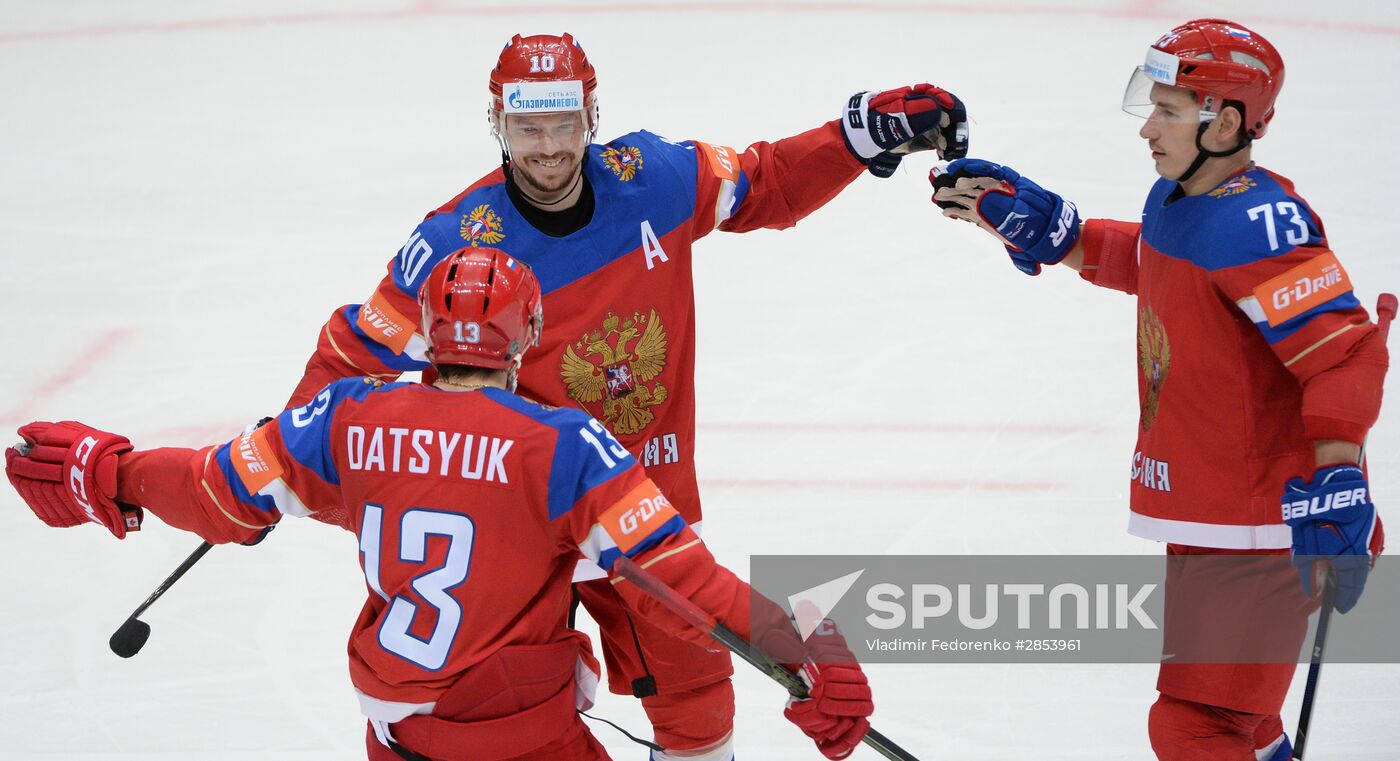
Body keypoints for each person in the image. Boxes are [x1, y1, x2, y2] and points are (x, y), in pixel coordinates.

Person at [283, 32, 968, 760]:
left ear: (591, 116)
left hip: (636, 511)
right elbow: (351, 361)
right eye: (527, 127)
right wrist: (278, 456)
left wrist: (857, 137)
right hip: (515, 526)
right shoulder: (458, 241)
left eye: (564, 123)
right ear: (498, 124)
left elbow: (766, 183)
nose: (547, 147)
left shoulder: (657, 178)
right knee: (493, 720)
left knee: (699, 703)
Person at [3, 248, 876, 761]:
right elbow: (686, 589)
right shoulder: (563, 446)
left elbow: (214, 493)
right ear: (527, 337)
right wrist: (810, 652)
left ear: (428, 328)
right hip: (516, 735)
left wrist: (106, 470)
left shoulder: (344, 417)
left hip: (401, 734)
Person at [929, 18, 1387, 761]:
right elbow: (1159, 265)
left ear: (1228, 120)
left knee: (1198, 726)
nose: (1148, 127)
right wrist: (1060, 235)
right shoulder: (1178, 200)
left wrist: (1339, 477)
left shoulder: (1261, 223)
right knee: (1242, 719)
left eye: (1170, 110)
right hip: (1212, 512)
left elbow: (1344, 353)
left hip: (1266, 525)